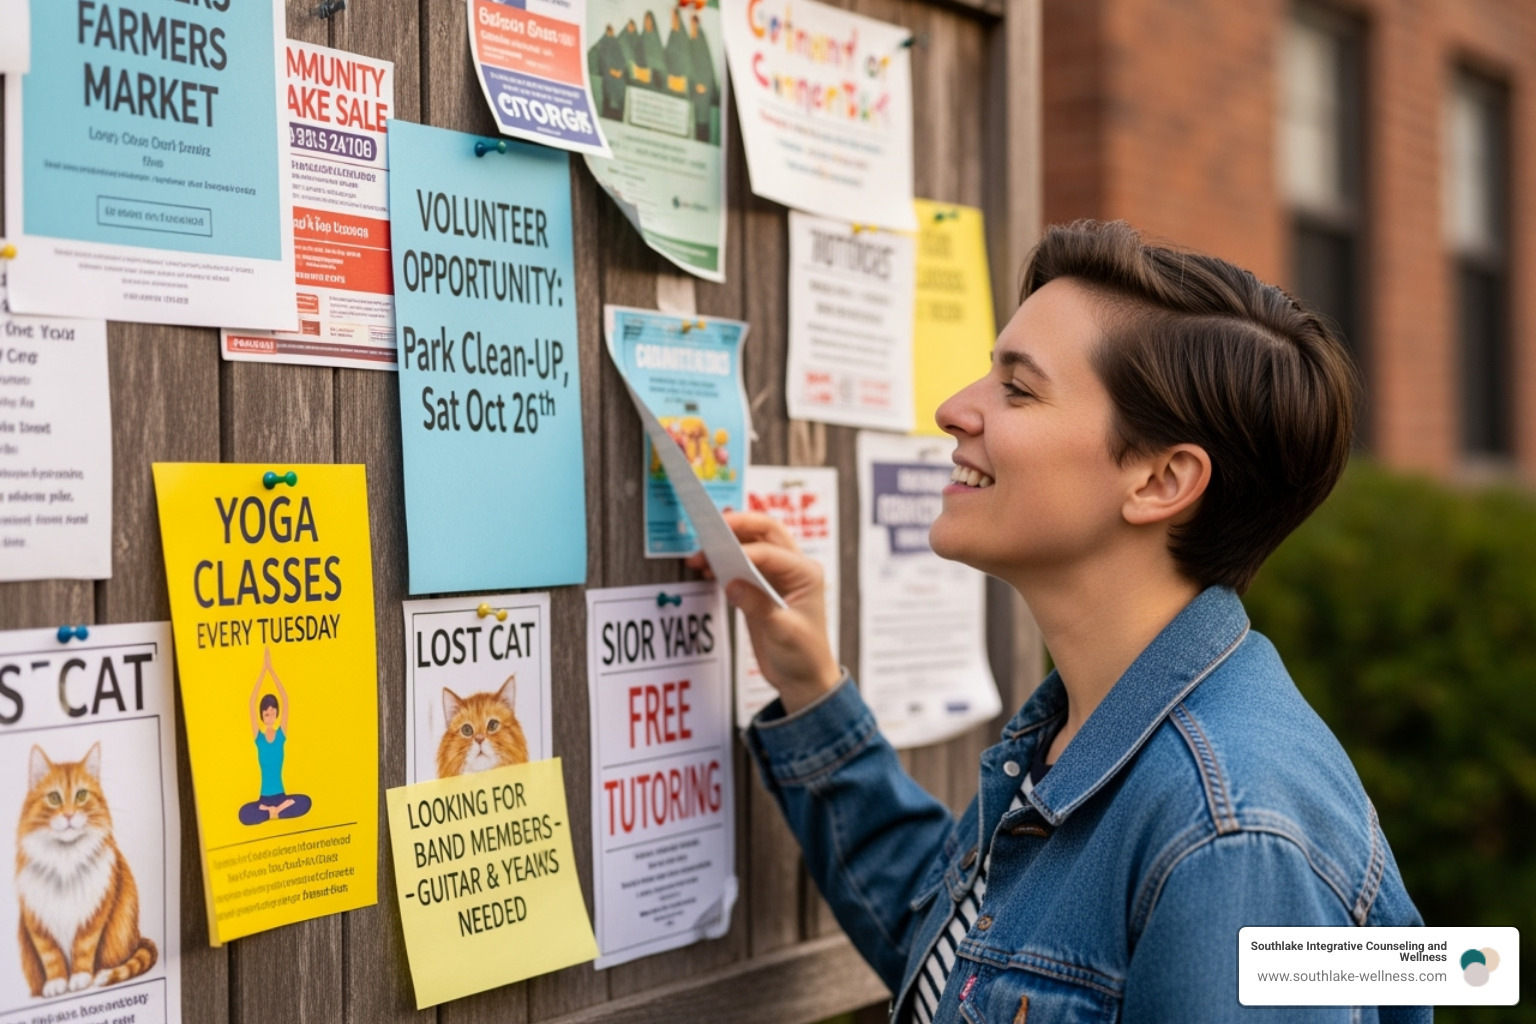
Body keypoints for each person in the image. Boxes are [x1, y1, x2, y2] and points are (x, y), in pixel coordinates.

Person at [699, 221, 1429, 1022]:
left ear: (1160, 480)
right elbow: (963, 957)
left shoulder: (1238, 840)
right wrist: (812, 692)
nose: (951, 410)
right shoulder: (1087, 727)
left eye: (1017, 388)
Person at [239, 647, 312, 826]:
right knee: (244, 814)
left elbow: (285, 699)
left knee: (306, 801)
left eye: (272, 712)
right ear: (262, 716)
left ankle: (274, 812)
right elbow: (251, 702)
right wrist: (263, 670)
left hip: (281, 797)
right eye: (266, 713)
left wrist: (272, 669)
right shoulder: (259, 738)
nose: (269, 715)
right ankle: (274, 812)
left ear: (277, 714)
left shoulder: (281, 735)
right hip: (263, 800)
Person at [686, 14, 718, 143]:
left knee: (703, 122)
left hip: (703, 90)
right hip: (694, 89)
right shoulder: (691, 41)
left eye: (694, 24)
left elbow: (706, 64)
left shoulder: (701, 41)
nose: (692, 27)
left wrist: (702, 83)